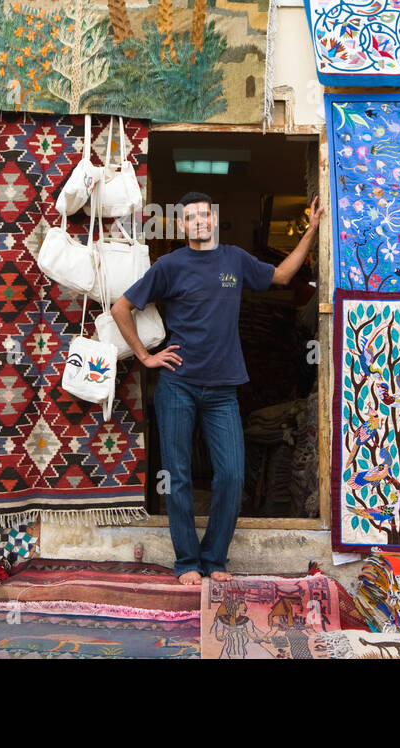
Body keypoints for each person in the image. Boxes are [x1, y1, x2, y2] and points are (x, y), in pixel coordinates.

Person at [111, 191, 321, 584]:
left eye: (204, 215)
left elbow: (282, 276)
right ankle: (187, 561)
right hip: (178, 386)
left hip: (224, 389)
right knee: (177, 475)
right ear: (182, 224)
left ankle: (216, 558)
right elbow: (121, 307)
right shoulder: (170, 266)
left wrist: (310, 231)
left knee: (230, 475)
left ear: (213, 218)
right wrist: (145, 356)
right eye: (189, 218)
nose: (198, 223)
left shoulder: (235, 260)